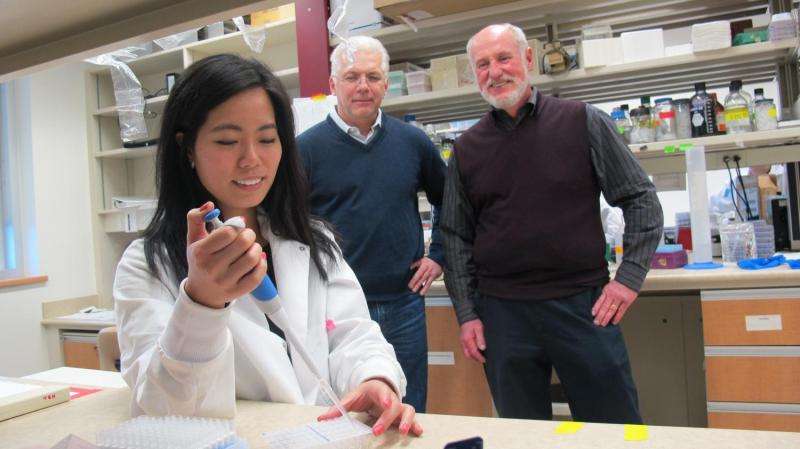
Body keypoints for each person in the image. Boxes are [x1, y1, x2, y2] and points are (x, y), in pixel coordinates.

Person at [113, 53, 422, 437]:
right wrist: (201, 303)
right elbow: (160, 411)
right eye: (227, 141)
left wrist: (375, 378)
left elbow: (352, 333)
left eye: (266, 138)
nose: (252, 160)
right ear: (187, 147)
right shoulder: (147, 264)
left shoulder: (313, 240)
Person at [441, 24, 664, 423]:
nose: (495, 72)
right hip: (503, 315)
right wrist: (467, 314)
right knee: (521, 433)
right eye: (483, 64)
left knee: (613, 427)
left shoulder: (582, 121)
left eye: (504, 58)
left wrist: (629, 278)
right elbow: (456, 236)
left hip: (583, 307)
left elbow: (641, 199)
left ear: (528, 59)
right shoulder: (467, 148)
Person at [297, 36, 447, 412]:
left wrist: (439, 254)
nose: (362, 86)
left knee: (410, 409)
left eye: (372, 76)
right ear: (333, 85)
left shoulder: (413, 142)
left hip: (404, 304)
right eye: (351, 77)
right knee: (345, 411)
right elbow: (288, 227)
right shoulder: (304, 151)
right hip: (337, 310)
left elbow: (452, 201)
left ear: (385, 83)